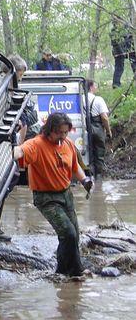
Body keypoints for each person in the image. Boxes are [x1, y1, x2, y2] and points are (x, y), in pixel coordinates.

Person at [13, 112, 93, 277]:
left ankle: (61, 271)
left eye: (65, 133)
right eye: (59, 133)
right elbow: (20, 152)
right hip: (46, 198)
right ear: (49, 129)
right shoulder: (36, 144)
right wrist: (11, 151)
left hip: (66, 194)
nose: (62, 136)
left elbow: (74, 166)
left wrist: (84, 181)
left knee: (74, 236)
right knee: (68, 233)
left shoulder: (68, 143)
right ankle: (77, 272)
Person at [86, 80, 112, 176]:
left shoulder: (80, 98)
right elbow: (104, 118)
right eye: (95, 85)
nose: (96, 88)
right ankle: (98, 177)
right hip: (97, 127)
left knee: (88, 151)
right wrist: (108, 131)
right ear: (91, 87)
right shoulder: (98, 99)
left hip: (85, 127)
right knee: (99, 151)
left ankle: (88, 175)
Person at [110, 19, 136, 88]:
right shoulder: (114, 32)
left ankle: (116, 84)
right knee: (119, 68)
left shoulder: (124, 29)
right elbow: (116, 43)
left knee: (133, 63)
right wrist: (123, 52)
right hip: (119, 52)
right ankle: (116, 84)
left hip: (128, 50)